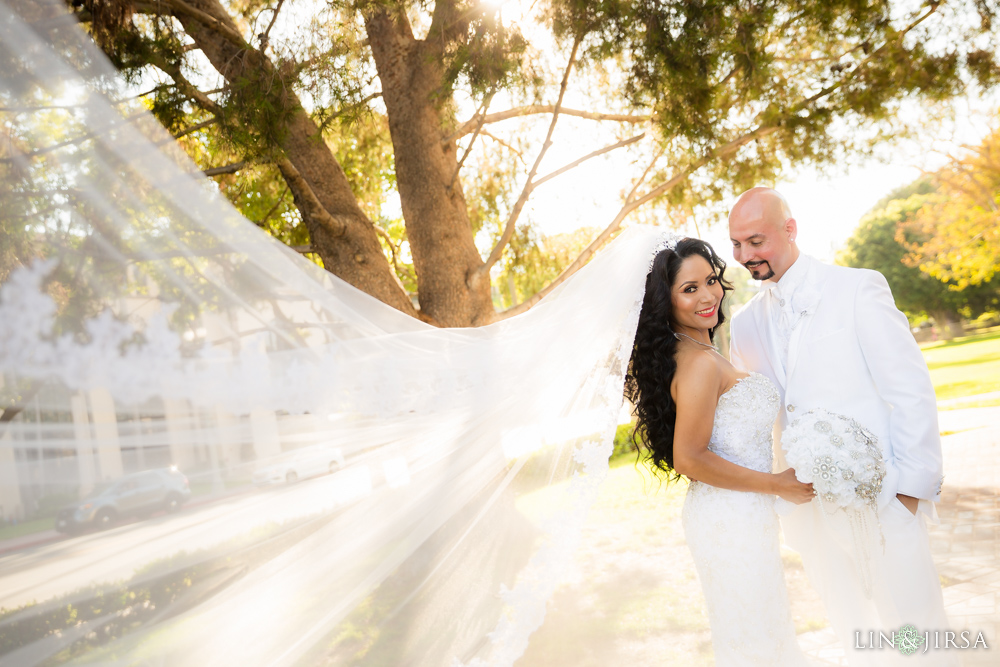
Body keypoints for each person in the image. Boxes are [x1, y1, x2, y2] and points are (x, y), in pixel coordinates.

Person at [727, 187, 952, 666]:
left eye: (756, 240)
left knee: (918, 634)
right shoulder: (744, 325)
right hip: (809, 514)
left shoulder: (857, 287)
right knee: (859, 639)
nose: (746, 256)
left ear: (789, 230)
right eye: (736, 245)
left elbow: (909, 390)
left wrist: (909, 493)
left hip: (885, 500)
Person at [626, 237, 814, 666]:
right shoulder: (698, 363)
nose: (708, 295)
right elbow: (689, 458)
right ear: (664, 300)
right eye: (689, 289)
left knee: (760, 626)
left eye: (710, 280)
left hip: (740, 511)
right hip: (730, 517)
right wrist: (775, 484)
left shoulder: (700, 350)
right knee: (752, 634)